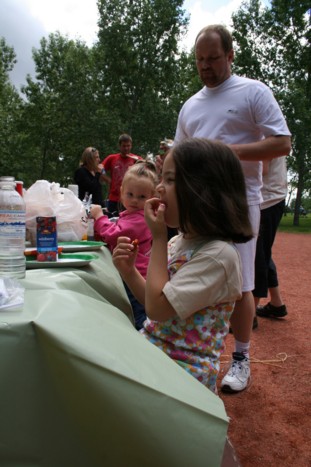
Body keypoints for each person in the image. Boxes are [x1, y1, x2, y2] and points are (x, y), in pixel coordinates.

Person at [174, 24, 291, 392]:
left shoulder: (252, 91)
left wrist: (226, 153)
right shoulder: (190, 105)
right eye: (199, 60)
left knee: (240, 284)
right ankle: (191, 353)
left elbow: (282, 143)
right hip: (198, 203)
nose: (205, 66)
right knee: (189, 273)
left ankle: (241, 358)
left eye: (212, 59)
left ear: (230, 55)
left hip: (240, 200)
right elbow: (180, 156)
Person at [112, 138, 253, 393]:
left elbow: (156, 309)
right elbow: (152, 299)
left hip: (183, 373)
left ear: (203, 189)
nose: (159, 188)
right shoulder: (180, 241)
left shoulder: (218, 256)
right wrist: (129, 271)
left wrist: (157, 237)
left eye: (170, 179)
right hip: (156, 353)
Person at [90, 160, 158, 330]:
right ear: (121, 193)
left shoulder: (140, 219)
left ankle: (143, 337)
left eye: (142, 197)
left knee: (138, 316)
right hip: (133, 274)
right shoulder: (132, 215)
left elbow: (113, 234)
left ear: (152, 198)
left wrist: (99, 217)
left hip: (135, 277)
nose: (135, 200)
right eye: (130, 194)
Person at [253, 158, 288, 320]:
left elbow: (262, 168)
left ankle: (249, 313)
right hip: (268, 198)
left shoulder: (264, 132)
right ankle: (276, 303)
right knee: (262, 252)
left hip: (266, 200)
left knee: (256, 256)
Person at [102, 134, 142, 215]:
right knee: (113, 220)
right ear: (119, 146)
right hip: (114, 198)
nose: (126, 148)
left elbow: (146, 171)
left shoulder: (137, 159)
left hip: (130, 198)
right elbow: (100, 168)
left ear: (131, 145)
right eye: (124, 146)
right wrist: (107, 179)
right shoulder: (112, 158)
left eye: (128, 146)